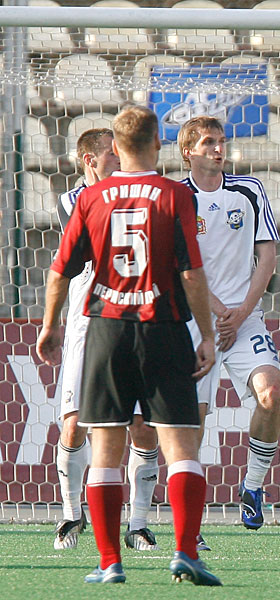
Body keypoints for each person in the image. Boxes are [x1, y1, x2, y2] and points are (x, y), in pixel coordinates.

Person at [36, 106, 221, 586]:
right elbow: (191, 273)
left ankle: (109, 562)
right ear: (158, 143)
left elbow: (59, 271)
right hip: (164, 327)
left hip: (108, 330)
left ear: (116, 148)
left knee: (105, 449)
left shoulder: (91, 197)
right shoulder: (176, 195)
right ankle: (185, 553)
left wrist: (50, 325)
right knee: (180, 446)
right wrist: (206, 334)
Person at [52, 128, 162, 552]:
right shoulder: (73, 200)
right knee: (74, 421)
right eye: (111, 155)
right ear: (89, 160)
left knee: (142, 425)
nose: (118, 160)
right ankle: (70, 515)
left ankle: (139, 524)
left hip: (136, 316)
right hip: (87, 319)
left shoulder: (137, 194)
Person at [177, 116, 280, 531]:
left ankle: (253, 486)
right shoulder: (177, 197)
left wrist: (240, 312)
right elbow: (180, 267)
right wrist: (218, 311)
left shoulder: (248, 190)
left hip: (243, 318)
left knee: (271, 392)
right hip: (195, 321)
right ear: (188, 151)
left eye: (221, 141)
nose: (218, 148)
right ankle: (192, 526)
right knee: (194, 420)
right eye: (208, 142)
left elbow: (267, 257)